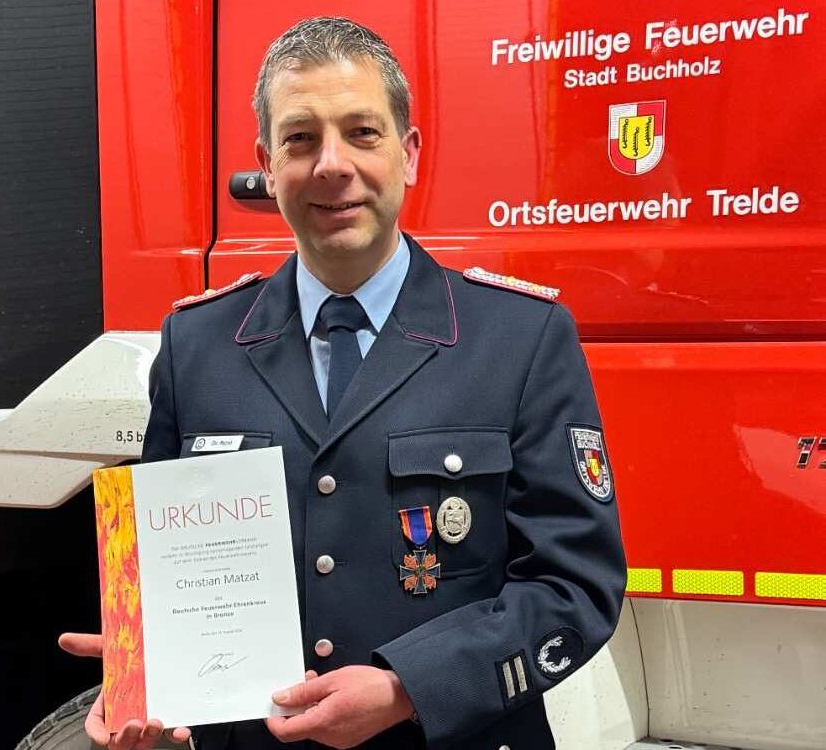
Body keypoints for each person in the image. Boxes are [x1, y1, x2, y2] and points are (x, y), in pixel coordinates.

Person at [61, 16, 626, 750]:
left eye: (362, 132)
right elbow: (167, 575)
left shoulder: (519, 340)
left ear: (409, 153)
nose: (332, 164)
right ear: (267, 163)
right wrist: (144, 675)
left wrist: (407, 687)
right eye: (300, 138)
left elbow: (574, 587)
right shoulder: (196, 345)